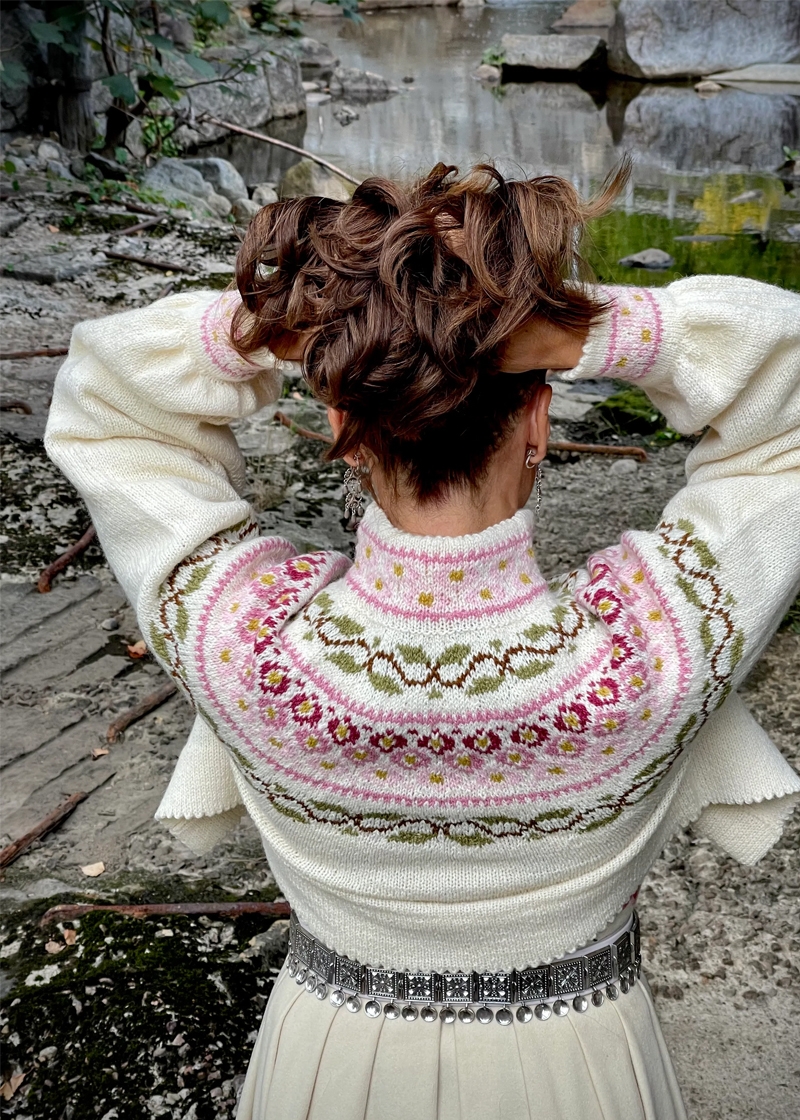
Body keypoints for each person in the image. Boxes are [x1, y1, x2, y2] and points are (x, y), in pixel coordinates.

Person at [46, 163, 800, 1120]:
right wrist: (585, 330)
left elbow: (105, 403)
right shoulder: (651, 650)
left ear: (341, 424)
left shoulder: (246, 645)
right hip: (586, 1064)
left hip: (324, 1060)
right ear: (538, 422)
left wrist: (289, 328)